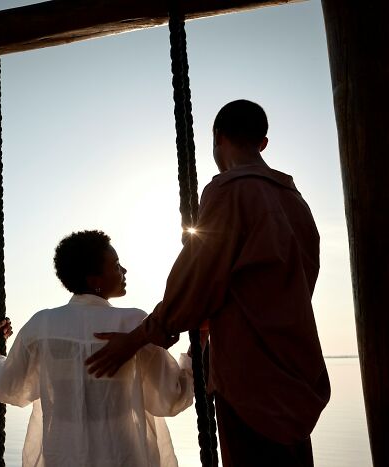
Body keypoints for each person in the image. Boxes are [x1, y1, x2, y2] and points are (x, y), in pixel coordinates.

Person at [86, 100, 331, 467]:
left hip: (250, 381)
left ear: (217, 137)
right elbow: (279, 286)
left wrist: (136, 338)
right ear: (263, 142)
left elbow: (194, 282)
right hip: (298, 377)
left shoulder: (229, 191)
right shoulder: (297, 203)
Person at [0, 230, 194, 467]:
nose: (124, 271)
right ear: (94, 280)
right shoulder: (135, 324)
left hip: (61, 457)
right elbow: (173, 397)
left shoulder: (41, 326)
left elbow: (8, 387)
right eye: (116, 266)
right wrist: (197, 349)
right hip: (125, 455)